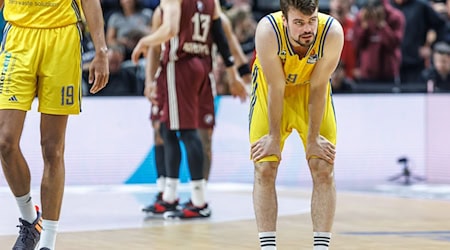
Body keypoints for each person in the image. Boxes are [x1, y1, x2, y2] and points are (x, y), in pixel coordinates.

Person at [0, 1, 109, 249]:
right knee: (5, 141)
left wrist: (101, 50)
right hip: (18, 36)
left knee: (52, 148)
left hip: (62, 37)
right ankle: (30, 220)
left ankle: (48, 242)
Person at [132, 0, 247, 219]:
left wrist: (144, 40)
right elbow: (221, 37)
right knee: (167, 129)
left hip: (181, 64)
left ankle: (198, 201)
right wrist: (233, 73)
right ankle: (170, 196)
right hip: (203, 66)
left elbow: (171, 29)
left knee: (187, 132)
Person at [249, 0, 344, 249]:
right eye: (299, 22)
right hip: (272, 90)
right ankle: (268, 246)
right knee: (265, 168)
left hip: (310, 91)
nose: (308, 29)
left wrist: (313, 140)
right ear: (284, 20)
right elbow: (276, 87)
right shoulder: (267, 30)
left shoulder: (332, 33)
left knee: (323, 166)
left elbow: (319, 86)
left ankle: (321, 247)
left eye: (312, 20)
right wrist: (272, 135)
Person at [353, 0, 405, 84]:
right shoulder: (362, 16)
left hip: (388, 73)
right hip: (366, 73)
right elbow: (356, 44)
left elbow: (394, 44)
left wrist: (382, 25)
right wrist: (364, 27)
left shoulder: (395, 17)